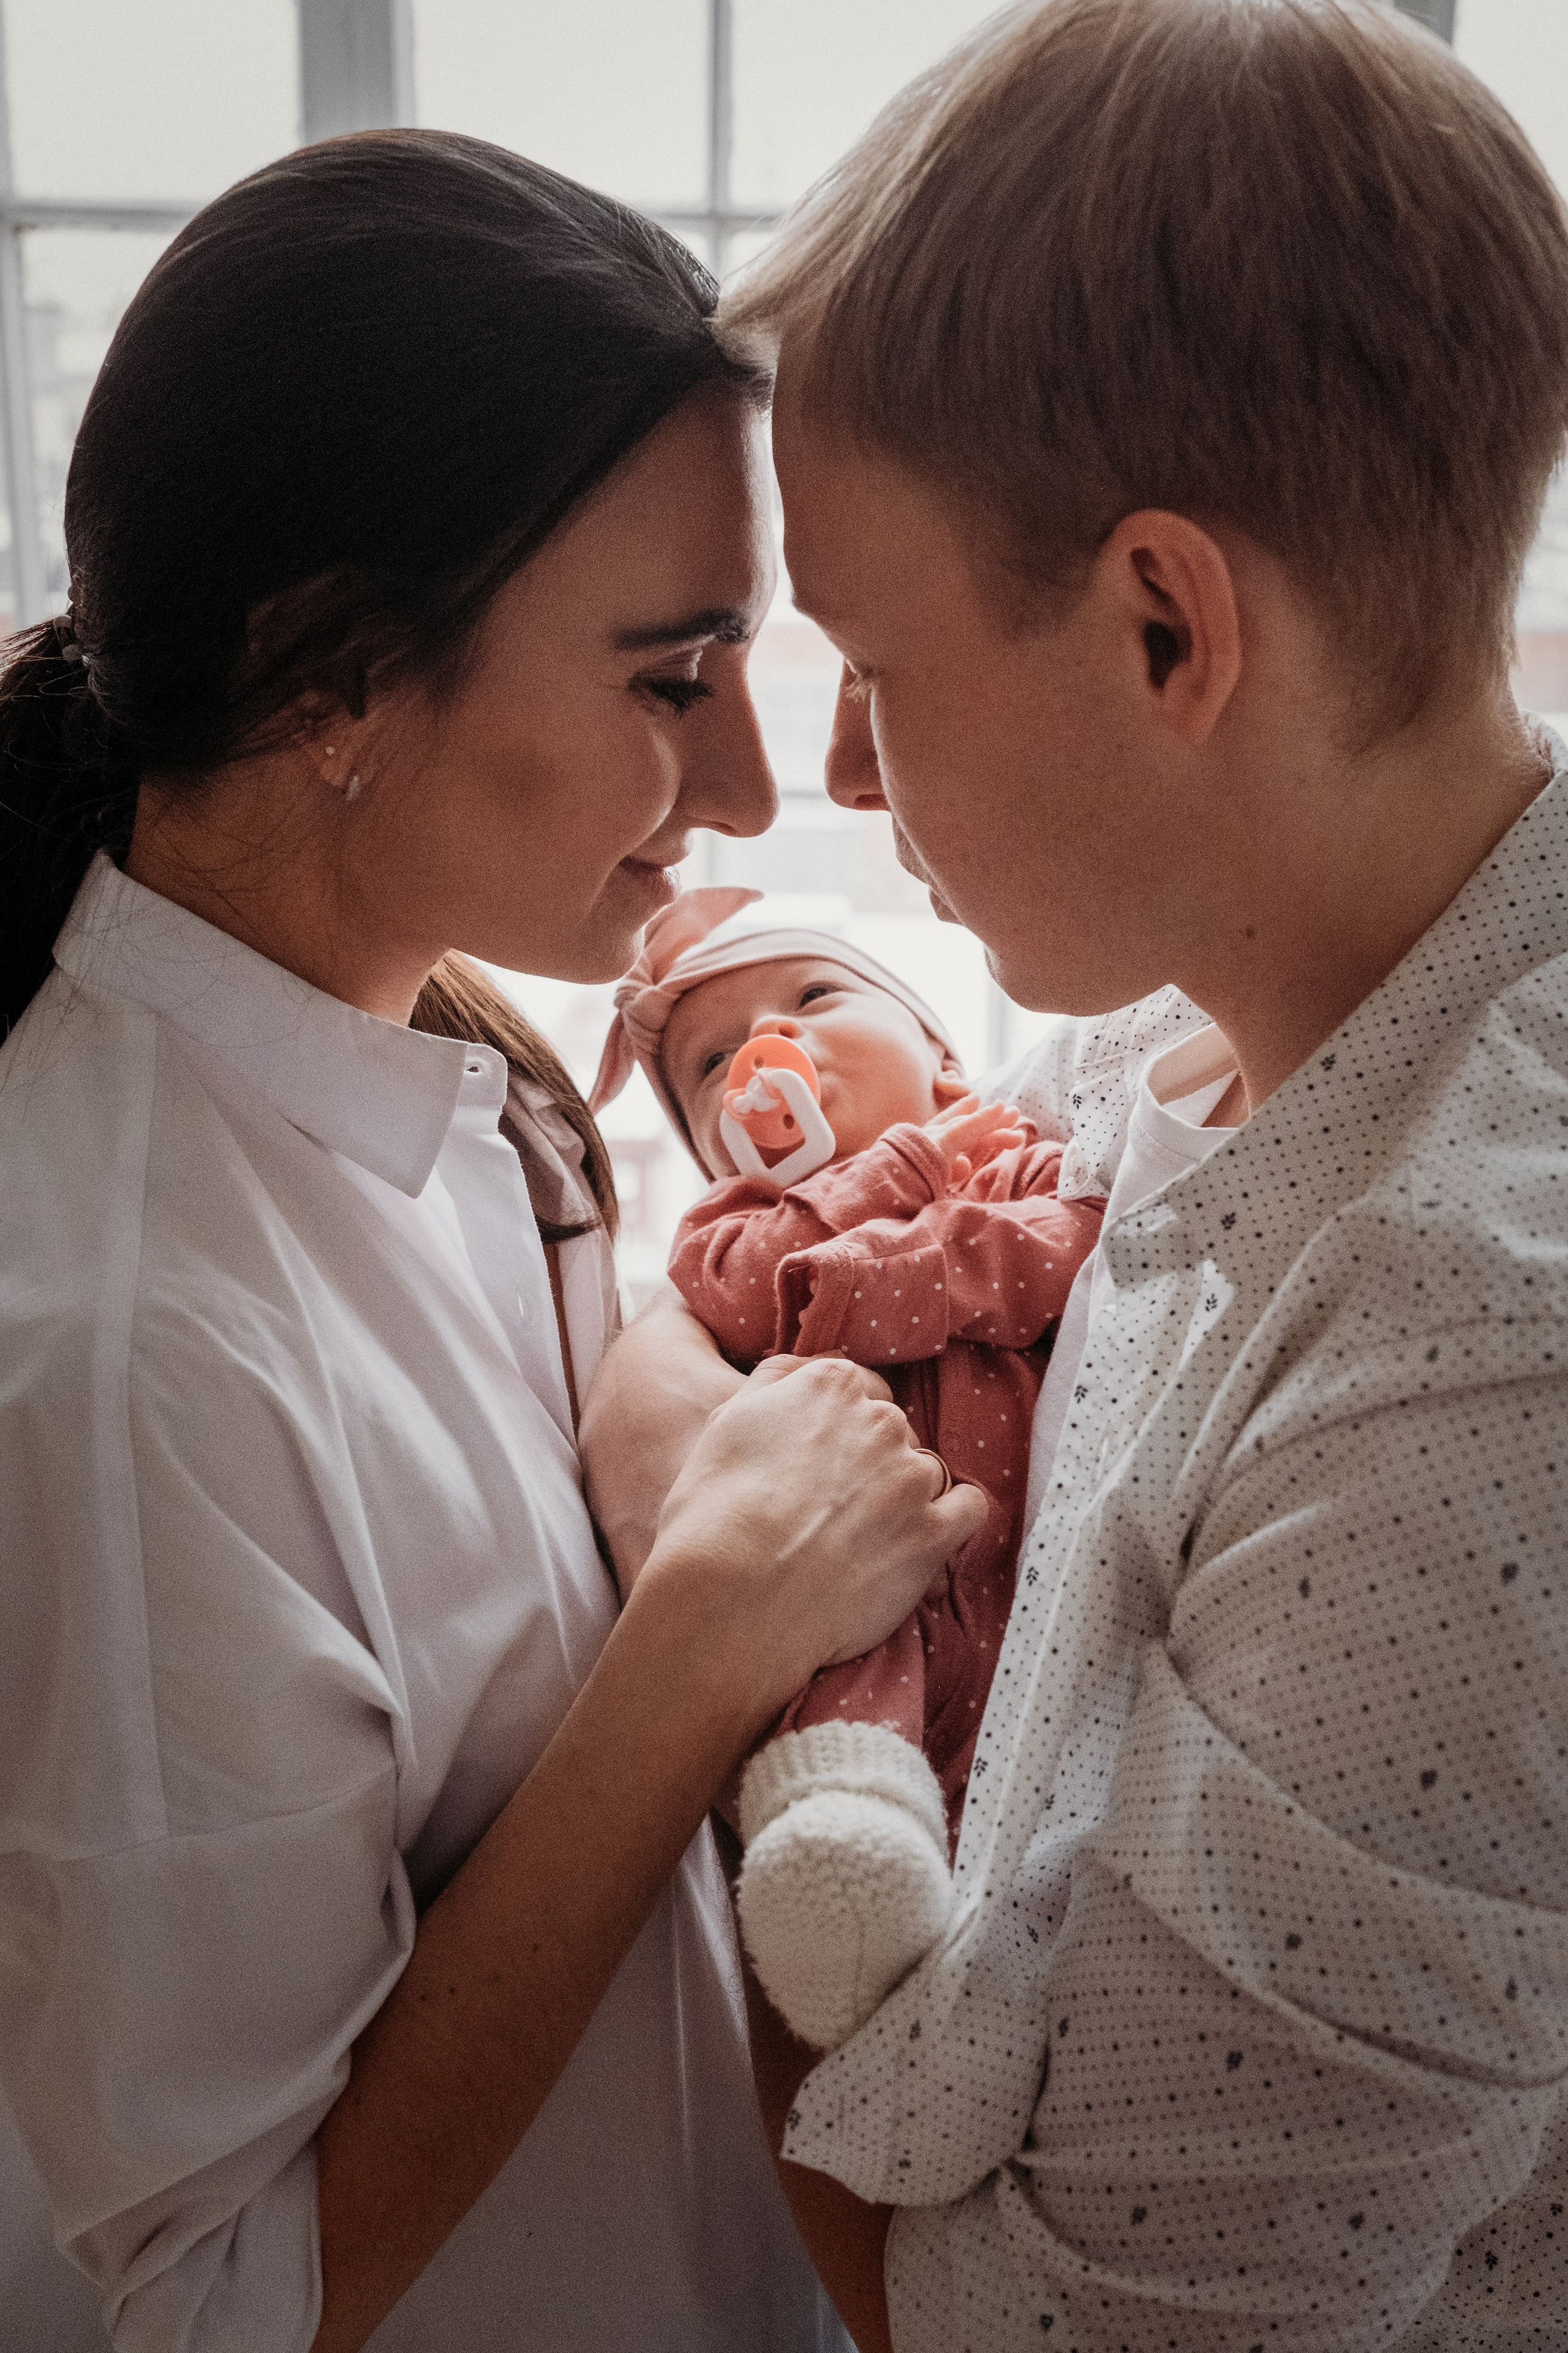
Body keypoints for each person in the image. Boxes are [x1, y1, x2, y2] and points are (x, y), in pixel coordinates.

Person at [582, 1, 1568, 2346]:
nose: (822, 760)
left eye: (877, 662)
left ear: (1167, 626)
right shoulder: (1194, 1013)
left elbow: (1051, 2330)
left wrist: (706, 1606)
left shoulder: (1477, 1389)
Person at [0, 132, 986, 2353]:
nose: (746, 784)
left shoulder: (448, 1062)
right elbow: (224, 2298)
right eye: (673, 677)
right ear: (327, 678)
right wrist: (708, 1639)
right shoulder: (128, 1349)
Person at [589, 890, 1104, 2052]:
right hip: (870, 1587)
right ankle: (841, 1844)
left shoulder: (1015, 1158)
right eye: (714, 1063)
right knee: (837, 1662)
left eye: (815, 997)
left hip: (1025, 1565)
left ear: (941, 1051)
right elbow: (758, 1288)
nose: (770, 1053)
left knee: (1041, 1800)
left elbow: (1072, 1250)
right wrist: (898, 1179)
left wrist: (876, 1263)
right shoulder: (731, 1226)